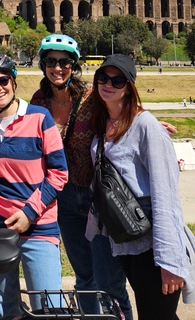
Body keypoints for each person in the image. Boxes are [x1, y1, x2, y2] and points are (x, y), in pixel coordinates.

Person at [30, 34, 134, 319]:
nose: (58, 67)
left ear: (74, 65)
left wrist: (146, 123)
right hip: (62, 198)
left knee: (110, 280)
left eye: (65, 62)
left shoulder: (92, 95)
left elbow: (123, 111)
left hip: (96, 197)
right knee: (84, 276)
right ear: (43, 64)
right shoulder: (39, 101)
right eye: (51, 61)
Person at [88, 53, 188, 320]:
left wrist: (169, 261)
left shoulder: (146, 126)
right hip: (126, 238)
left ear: (129, 86)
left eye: (118, 80)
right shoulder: (103, 123)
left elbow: (166, 197)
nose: (108, 84)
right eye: (103, 78)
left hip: (153, 241)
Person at [0, 52, 68, 319]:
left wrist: (30, 212)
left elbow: (59, 173)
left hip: (38, 225)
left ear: (13, 81)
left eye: (2, 80)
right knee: (6, 309)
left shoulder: (40, 117)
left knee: (49, 307)